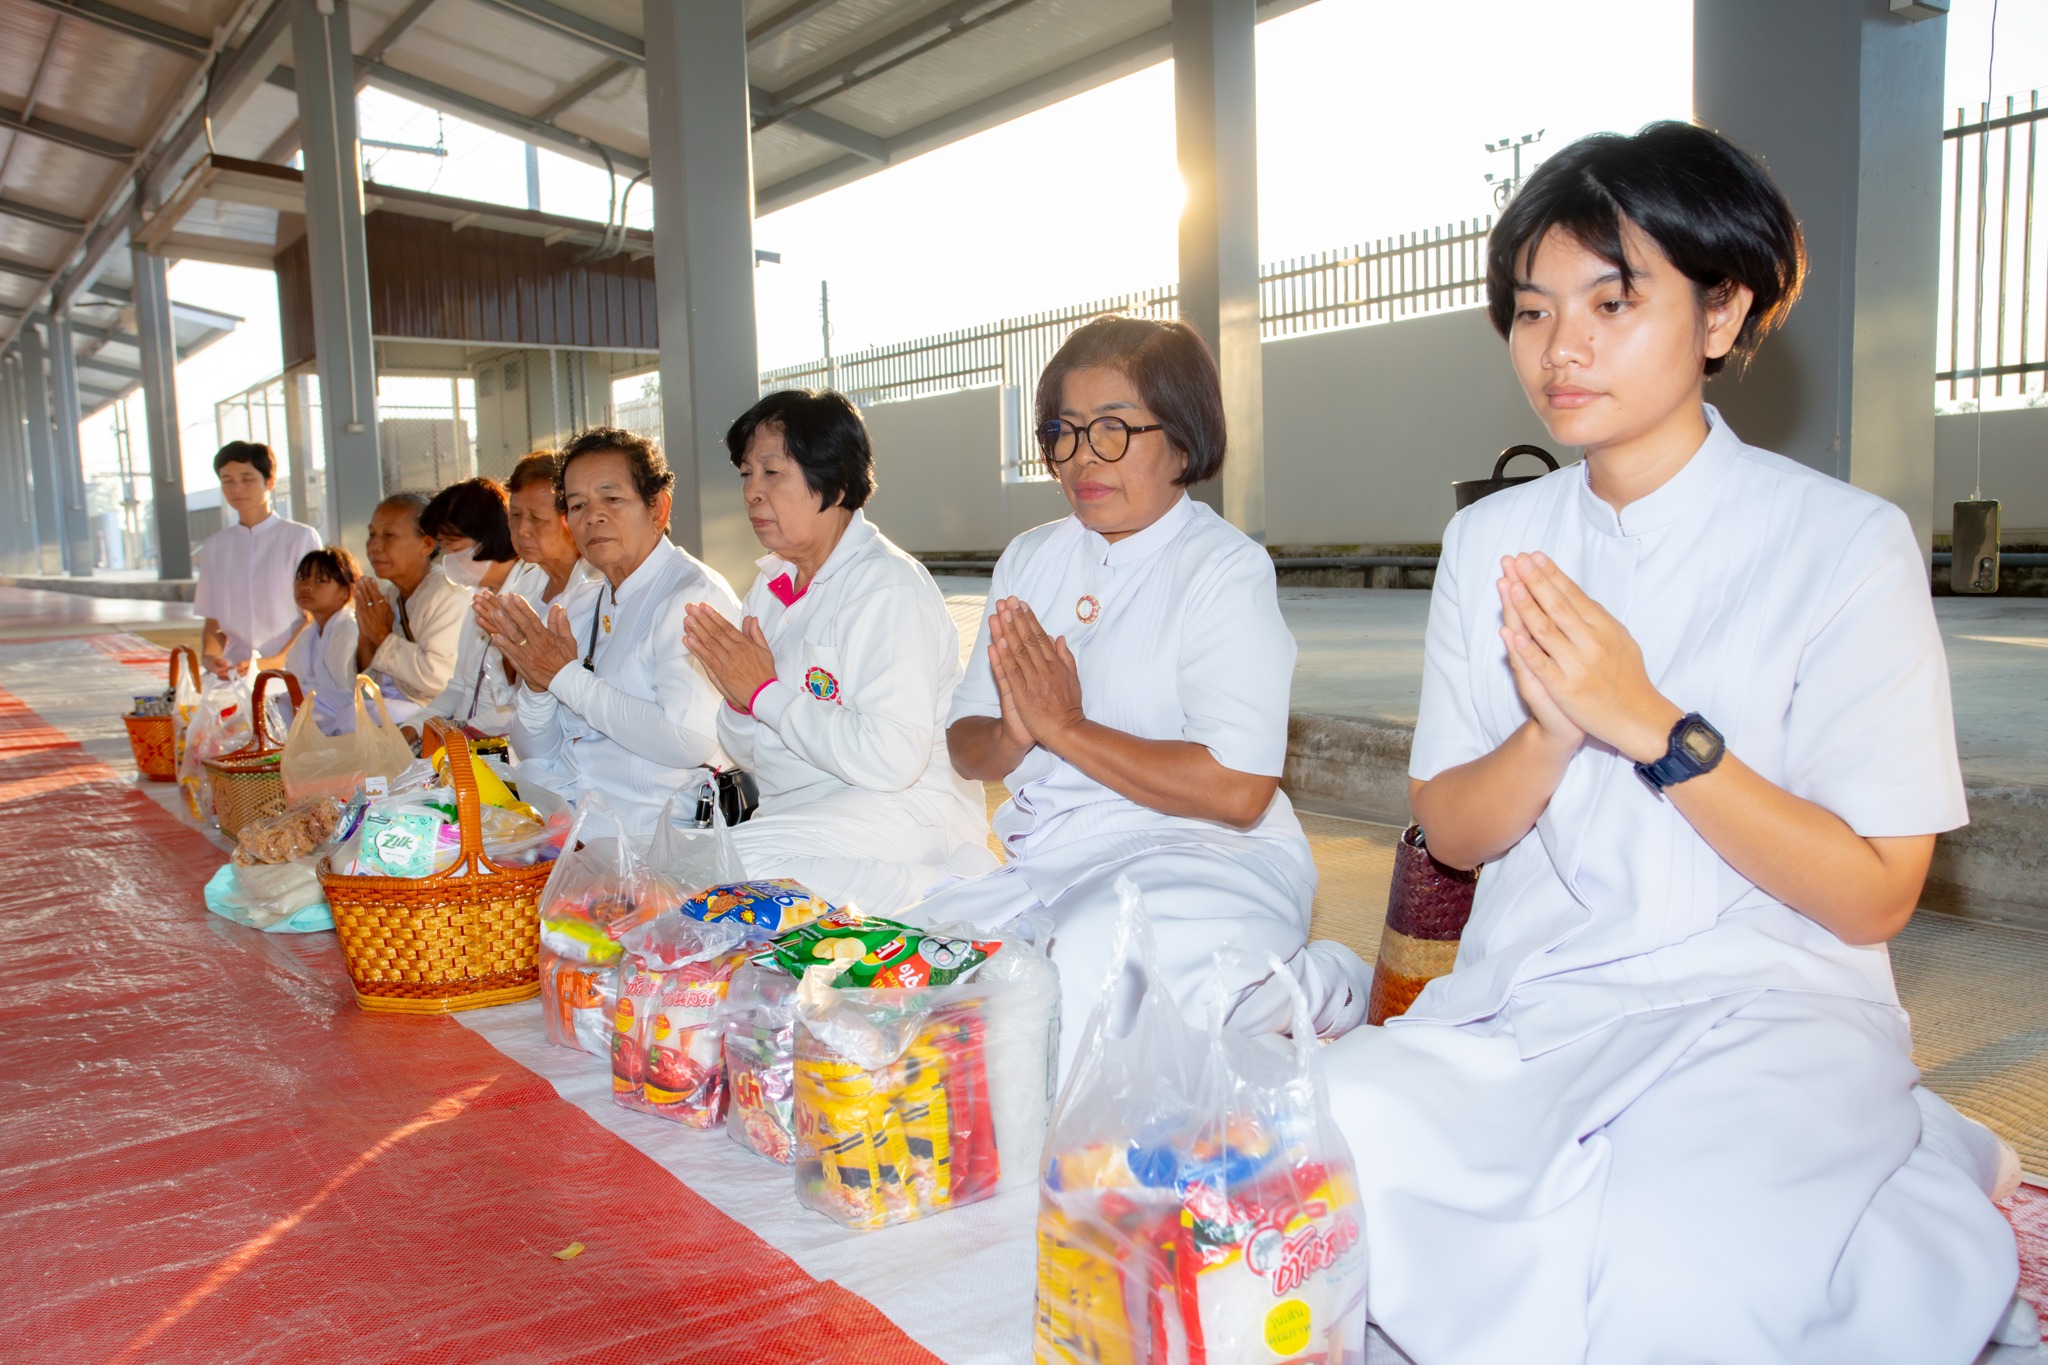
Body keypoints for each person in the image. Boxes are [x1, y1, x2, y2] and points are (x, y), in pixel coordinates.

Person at [1318, 122, 2022, 1365]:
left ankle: (1881, 1177)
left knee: (1670, 1288)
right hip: (1532, 1009)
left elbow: (1872, 897)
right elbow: (1454, 829)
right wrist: (1544, 732)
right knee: (1306, 1149)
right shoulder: (1492, 544)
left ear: (1718, 312)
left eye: (1610, 299)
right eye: (1531, 311)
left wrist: (1650, 726)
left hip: (1767, 1011)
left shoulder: (1840, 543)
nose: (1560, 347)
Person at [896, 315, 1369, 1080]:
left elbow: (1240, 790)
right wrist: (1017, 733)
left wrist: (1068, 728)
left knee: (1087, 971)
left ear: (1182, 439)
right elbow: (967, 743)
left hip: (1212, 856)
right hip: (1057, 860)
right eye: (1065, 431)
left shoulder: (1223, 569)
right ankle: (1232, 1004)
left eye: (1114, 429)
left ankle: (1319, 988)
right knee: (919, 965)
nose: (1084, 458)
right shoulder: (1032, 557)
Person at [681, 390, 997, 913]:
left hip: (904, 810)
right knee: (703, 869)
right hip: (809, 816)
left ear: (836, 481)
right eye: (745, 475)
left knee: (726, 868)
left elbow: (892, 760)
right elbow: (748, 752)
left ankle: (948, 886)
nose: (752, 494)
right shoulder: (771, 588)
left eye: (772, 473)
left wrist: (764, 693)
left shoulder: (886, 586)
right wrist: (741, 701)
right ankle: (904, 900)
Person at [480, 428, 741, 836]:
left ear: (657, 508)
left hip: (659, 838)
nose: (593, 516)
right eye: (578, 505)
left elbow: (687, 739)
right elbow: (535, 750)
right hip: (577, 830)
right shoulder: (582, 604)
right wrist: (536, 685)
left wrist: (565, 678)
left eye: (612, 499)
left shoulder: (692, 598)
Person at [193, 441, 320, 680]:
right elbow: (214, 623)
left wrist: (273, 662)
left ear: (270, 481)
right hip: (234, 672)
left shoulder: (299, 538)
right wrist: (210, 658)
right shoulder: (215, 547)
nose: (236, 488)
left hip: (293, 670)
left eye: (247, 478)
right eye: (227, 480)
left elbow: (313, 616)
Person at [415, 478, 522, 735]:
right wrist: (416, 726)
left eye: (452, 547)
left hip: (500, 745)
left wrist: (465, 735)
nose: (447, 558)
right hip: (467, 741)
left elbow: (517, 702)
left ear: (485, 537)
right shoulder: (479, 597)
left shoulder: (526, 592)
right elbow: (459, 686)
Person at [354, 492, 470, 726]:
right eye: (372, 535)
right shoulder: (388, 594)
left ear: (426, 543)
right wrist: (366, 633)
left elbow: (440, 680)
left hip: (435, 714)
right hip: (392, 706)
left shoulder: (448, 593)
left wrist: (382, 637)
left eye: (389, 536)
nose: (375, 546)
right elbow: (367, 676)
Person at [283, 546, 363, 736]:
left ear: (345, 592)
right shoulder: (308, 633)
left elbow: (346, 693)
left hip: (346, 720)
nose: (307, 586)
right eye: (302, 578)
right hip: (319, 714)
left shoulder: (348, 627)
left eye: (320, 580)